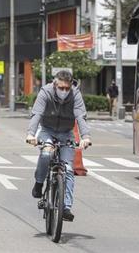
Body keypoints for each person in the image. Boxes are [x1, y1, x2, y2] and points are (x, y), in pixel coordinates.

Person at [26, 70, 91, 222]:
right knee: (46, 153)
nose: (64, 91)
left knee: (68, 169)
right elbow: (37, 114)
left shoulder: (75, 95)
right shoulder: (45, 92)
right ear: (55, 85)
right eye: (61, 88)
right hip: (47, 130)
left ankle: (66, 207)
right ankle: (39, 183)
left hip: (66, 132)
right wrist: (31, 134)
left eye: (67, 88)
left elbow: (81, 116)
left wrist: (85, 137)